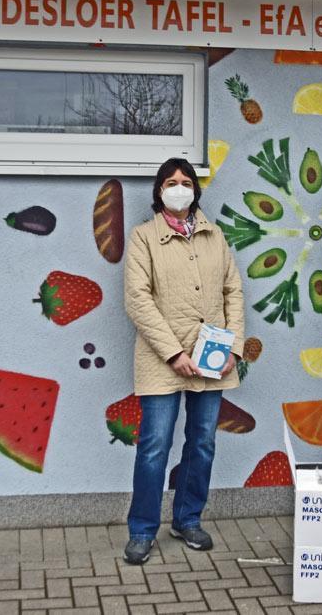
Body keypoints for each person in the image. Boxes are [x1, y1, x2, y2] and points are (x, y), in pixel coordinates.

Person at [122, 158, 245, 564]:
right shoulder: (143, 238)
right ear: (159, 191)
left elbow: (233, 292)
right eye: (171, 182)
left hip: (212, 361)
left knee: (203, 442)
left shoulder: (215, 235)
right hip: (163, 360)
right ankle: (142, 529)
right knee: (155, 446)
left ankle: (187, 519)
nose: (179, 188)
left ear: (196, 190)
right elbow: (137, 300)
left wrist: (235, 349)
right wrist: (173, 353)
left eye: (186, 181)